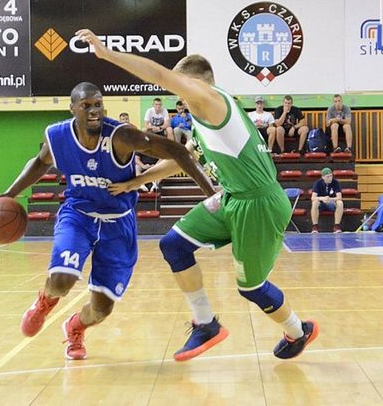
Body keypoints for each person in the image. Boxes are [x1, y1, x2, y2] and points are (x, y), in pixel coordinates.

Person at [77, 29, 319, 362]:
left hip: (259, 203)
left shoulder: (210, 99)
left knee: (251, 288)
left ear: (193, 83)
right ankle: (206, 324)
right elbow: (184, 157)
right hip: (234, 197)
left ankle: (298, 330)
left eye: (180, 85)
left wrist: (107, 54)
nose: (176, 92)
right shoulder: (204, 118)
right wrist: (138, 181)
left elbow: (160, 75)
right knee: (173, 245)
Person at [0, 82, 214, 360]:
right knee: (62, 280)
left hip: (118, 223)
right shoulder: (57, 135)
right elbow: (40, 163)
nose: (94, 111)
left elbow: (179, 152)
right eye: (86, 105)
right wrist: (9, 194)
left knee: (101, 309)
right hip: (78, 215)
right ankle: (45, 301)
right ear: (73, 109)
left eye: (98, 104)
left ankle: (75, 327)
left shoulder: (122, 136)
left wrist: (211, 196)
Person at [310, 167, 344, 233]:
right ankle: (315, 227)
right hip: (321, 203)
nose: (330, 178)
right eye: (328, 177)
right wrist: (322, 198)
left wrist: (329, 199)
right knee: (315, 203)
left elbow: (339, 197)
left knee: (340, 203)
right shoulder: (318, 183)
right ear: (323, 177)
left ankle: (336, 226)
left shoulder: (335, 182)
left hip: (331, 203)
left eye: (331, 176)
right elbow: (313, 197)